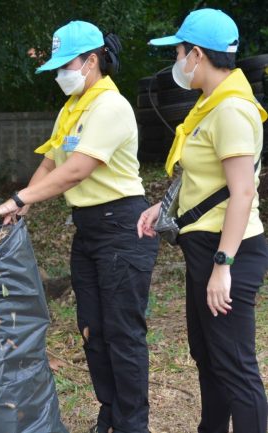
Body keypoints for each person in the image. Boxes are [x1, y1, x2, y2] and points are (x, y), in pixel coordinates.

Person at [0, 21, 159, 433]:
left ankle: (133, 424)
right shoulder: (72, 107)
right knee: (93, 330)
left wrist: (22, 199)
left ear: (92, 61)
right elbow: (52, 162)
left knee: (122, 334)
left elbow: (78, 169)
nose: (61, 74)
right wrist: (20, 203)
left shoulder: (110, 107)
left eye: (67, 65)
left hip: (122, 228)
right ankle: (110, 414)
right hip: (91, 231)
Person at [139, 9, 268, 433]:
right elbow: (204, 179)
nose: (176, 61)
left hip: (228, 250)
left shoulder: (231, 110)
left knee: (234, 366)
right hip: (204, 244)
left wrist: (222, 266)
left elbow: (243, 191)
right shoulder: (209, 107)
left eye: (178, 52)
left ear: (196, 54)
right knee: (209, 357)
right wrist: (165, 208)